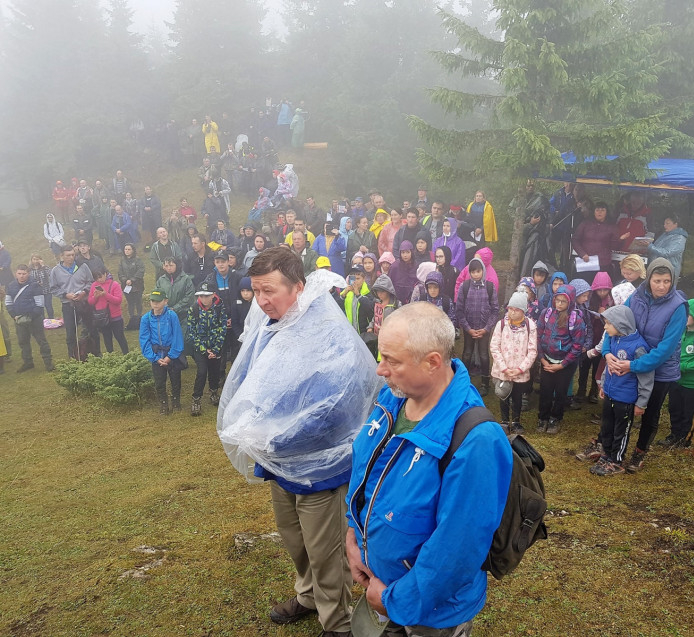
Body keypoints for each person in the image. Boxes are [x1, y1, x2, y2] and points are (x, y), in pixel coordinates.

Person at [217, 247, 382, 636]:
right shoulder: (272, 325)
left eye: (269, 291)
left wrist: (278, 436)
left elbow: (336, 405)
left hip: (319, 467)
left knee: (326, 550)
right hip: (279, 460)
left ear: (298, 287)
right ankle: (308, 596)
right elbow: (254, 381)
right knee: (295, 538)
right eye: (257, 291)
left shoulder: (327, 333)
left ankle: (337, 621)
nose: (261, 300)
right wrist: (255, 428)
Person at [346, 302, 512, 636]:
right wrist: (354, 535)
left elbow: (457, 550)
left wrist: (394, 601)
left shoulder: (477, 440)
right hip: (381, 585)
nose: (380, 370)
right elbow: (366, 469)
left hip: (431, 611)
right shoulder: (392, 398)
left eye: (392, 360)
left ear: (432, 362)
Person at [605, 257, 687, 473]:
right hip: (629, 361)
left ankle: (640, 452)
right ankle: (609, 447)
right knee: (619, 406)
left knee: (650, 412)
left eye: (667, 281)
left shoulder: (678, 307)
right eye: (657, 281)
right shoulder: (637, 296)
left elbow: (666, 349)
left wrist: (633, 366)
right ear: (649, 278)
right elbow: (615, 320)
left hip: (660, 370)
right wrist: (606, 352)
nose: (662, 286)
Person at [591, 305, 654, 476]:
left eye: (608, 323)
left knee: (621, 431)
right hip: (610, 394)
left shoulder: (639, 347)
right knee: (607, 427)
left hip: (626, 399)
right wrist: (604, 385)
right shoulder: (614, 339)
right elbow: (608, 366)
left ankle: (616, 461)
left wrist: (641, 402)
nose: (605, 327)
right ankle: (607, 455)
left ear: (621, 324)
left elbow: (646, 377)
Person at [657, 298, 694, 449]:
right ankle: (674, 435)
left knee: (689, 412)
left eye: (688, 314)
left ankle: (685, 440)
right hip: (676, 380)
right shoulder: (680, 331)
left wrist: (684, 366)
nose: (684, 317)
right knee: (674, 409)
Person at [536, 284, 586, 433]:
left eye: (563, 302)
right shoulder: (546, 314)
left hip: (565, 364)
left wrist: (562, 364)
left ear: (570, 302)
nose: (559, 304)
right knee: (545, 390)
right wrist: (542, 359)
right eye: (557, 300)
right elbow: (538, 336)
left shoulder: (575, 320)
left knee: (560, 391)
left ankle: (555, 418)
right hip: (547, 360)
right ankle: (543, 417)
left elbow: (577, 346)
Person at [490, 291, 537, 434]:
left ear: (523, 311)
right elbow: (494, 346)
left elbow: (532, 351)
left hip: (519, 371)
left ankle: (516, 421)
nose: (512, 312)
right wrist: (504, 368)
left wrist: (520, 369)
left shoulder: (530, 326)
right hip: (503, 370)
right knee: (503, 394)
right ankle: (504, 421)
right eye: (510, 309)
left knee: (517, 396)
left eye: (516, 310)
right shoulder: (501, 324)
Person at [456, 256, 500, 396]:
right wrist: (467, 328)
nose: (475, 274)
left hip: (484, 329)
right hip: (469, 329)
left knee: (484, 355)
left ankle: (485, 383)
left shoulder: (490, 287)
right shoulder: (464, 287)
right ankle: (463, 381)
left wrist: (486, 329)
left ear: (483, 271)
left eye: (478, 271)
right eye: (473, 271)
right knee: (467, 353)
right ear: (469, 272)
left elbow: (495, 310)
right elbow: (459, 310)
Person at [140, 290, 185, 415]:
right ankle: (163, 403)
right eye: (153, 301)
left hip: (171, 354)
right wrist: (154, 358)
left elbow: (177, 336)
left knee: (175, 379)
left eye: (158, 301)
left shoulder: (172, 316)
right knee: (159, 382)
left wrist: (171, 356)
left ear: (165, 301)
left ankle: (176, 401)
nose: (155, 304)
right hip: (156, 355)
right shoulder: (146, 319)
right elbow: (144, 340)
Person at [187, 281, 228, 416]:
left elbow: (222, 328)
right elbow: (192, 332)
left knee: (215, 371)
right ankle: (196, 399)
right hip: (200, 348)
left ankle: (214, 392)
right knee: (202, 372)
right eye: (201, 296)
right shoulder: (193, 309)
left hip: (216, 346)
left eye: (207, 296)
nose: (203, 299)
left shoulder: (220, 307)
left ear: (213, 295)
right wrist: (204, 350)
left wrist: (215, 349)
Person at [49, 245, 96, 360]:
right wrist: (65, 294)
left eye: (73, 255)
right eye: (68, 255)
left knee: (92, 329)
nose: (71, 257)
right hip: (68, 305)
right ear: (62, 256)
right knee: (70, 333)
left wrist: (84, 292)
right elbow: (53, 288)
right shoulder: (55, 271)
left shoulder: (82, 266)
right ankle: (73, 357)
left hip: (84, 303)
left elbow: (91, 282)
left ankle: (95, 353)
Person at [6, 264, 53, 372]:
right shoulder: (11, 286)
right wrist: (13, 316)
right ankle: (28, 362)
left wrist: (30, 317)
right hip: (18, 319)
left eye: (24, 273)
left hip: (34, 319)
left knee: (41, 341)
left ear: (28, 273)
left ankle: (48, 363)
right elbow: (8, 302)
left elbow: (40, 304)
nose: (21, 276)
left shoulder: (35, 285)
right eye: (19, 273)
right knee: (23, 342)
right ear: (15, 274)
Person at [571, 201, 619, 282]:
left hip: (603, 264)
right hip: (586, 262)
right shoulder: (585, 223)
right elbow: (575, 240)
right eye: (597, 210)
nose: (600, 212)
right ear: (593, 212)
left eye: (602, 210)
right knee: (584, 284)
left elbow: (614, 246)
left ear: (607, 212)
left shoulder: (612, 226)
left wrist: (620, 239)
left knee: (600, 286)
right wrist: (582, 254)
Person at [87, 268, 129, 355]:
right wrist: (95, 297)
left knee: (120, 337)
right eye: (96, 278)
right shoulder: (94, 285)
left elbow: (118, 301)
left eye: (100, 277)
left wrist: (106, 294)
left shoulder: (115, 284)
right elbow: (90, 302)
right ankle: (110, 357)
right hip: (102, 317)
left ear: (105, 274)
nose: (99, 280)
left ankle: (127, 354)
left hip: (115, 317)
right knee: (107, 338)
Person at [155, 257, 195, 329]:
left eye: (171, 265)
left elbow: (189, 297)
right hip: (165, 315)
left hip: (183, 316)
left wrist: (175, 308)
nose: (169, 268)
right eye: (166, 266)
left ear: (177, 265)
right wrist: (165, 307)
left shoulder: (186, 279)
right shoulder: (161, 280)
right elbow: (157, 295)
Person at [644, 214, 688, 278]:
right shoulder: (665, 234)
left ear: (675, 224)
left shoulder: (679, 238)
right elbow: (657, 247)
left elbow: (668, 252)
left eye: (667, 223)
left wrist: (650, 247)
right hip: (657, 268)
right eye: (664, 223)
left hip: (668, 270)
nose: (665, 225)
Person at [118, 244, 145, 327]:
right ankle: (132, 319)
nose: (127, 251)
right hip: (126, 285)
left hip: (137, 285)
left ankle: (140, 318)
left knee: (138, 302)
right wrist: (125, 280)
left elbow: (141, 270)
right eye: (125, 249)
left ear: (133, 250)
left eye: (129, 249)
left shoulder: (138, 260)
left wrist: (132, 280)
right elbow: (120, 272)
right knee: (130, 302)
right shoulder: (122, 260)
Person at [29, 254, 55, 319]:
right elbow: (29, 280)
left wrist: (43, 265)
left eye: (37, 259)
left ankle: (51, 318)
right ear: (31, 260)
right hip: (36, 292)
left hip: (46, 290)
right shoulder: (30, 270)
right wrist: (36, 283)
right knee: (40, 307)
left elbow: (51, 274)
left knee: (48, 305)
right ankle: (42, 320)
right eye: (34, 259)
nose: (35, 261)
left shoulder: (45, 267)